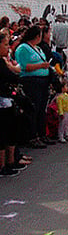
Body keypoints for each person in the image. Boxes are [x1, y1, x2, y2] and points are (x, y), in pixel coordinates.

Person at [15, 25, 53, 148]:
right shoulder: (23, 48)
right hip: (31, 81)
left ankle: (42, 134)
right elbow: (23, 66)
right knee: (33, 109)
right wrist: (41, 66)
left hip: (42, 81)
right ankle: (32, 136)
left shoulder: (38, 48)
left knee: (42, 109)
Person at [0, 33, 23, 176]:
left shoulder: (3, 62)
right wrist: (14, 68)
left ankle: (10, 161)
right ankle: (3, 165)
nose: (8, 49)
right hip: (2, 101)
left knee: (10, 132)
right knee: (3, 134)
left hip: (7, 100)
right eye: (5, 45)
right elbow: (13, 76)